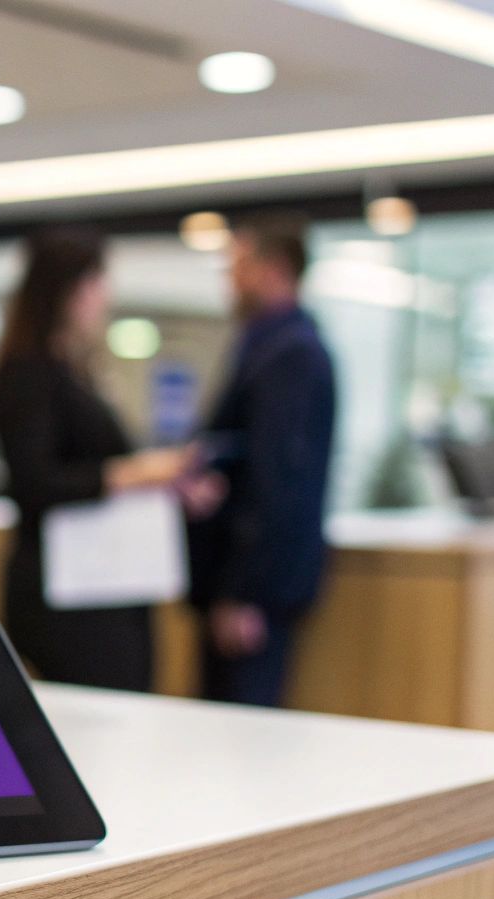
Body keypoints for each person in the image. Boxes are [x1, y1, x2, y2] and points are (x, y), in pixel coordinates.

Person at [0, 228, 193, 691]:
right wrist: (135, 474)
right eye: (98, 282)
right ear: (68, 289)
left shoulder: (76, 370)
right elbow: (34, 483)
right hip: (68, 588)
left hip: (105, 585)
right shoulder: (28, 374)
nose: (105, 297)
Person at [187, 212, 337, 707]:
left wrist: (246, 592)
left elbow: (279, 480)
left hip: (253, 593)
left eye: (238, 265)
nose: (230, 280)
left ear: (273, 268)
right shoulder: (267, 346)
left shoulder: (289, 354)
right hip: (241, 584)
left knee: (240, 739)